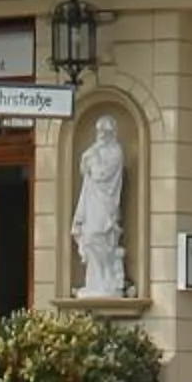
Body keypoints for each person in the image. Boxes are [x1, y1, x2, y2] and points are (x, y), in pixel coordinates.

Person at [72, 112, 128, 299]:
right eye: (99, 130)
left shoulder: (115, 151)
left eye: (105, 130)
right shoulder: (95, 150)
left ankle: (107, 281)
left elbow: (101, 174)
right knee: (88, 239)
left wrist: (93, 157)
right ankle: (95, 282)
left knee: (99, 237)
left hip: (106, 203)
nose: (101, 134)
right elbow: (84, 170)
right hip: (91, 201)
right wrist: (89, 157)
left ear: (112, 132)